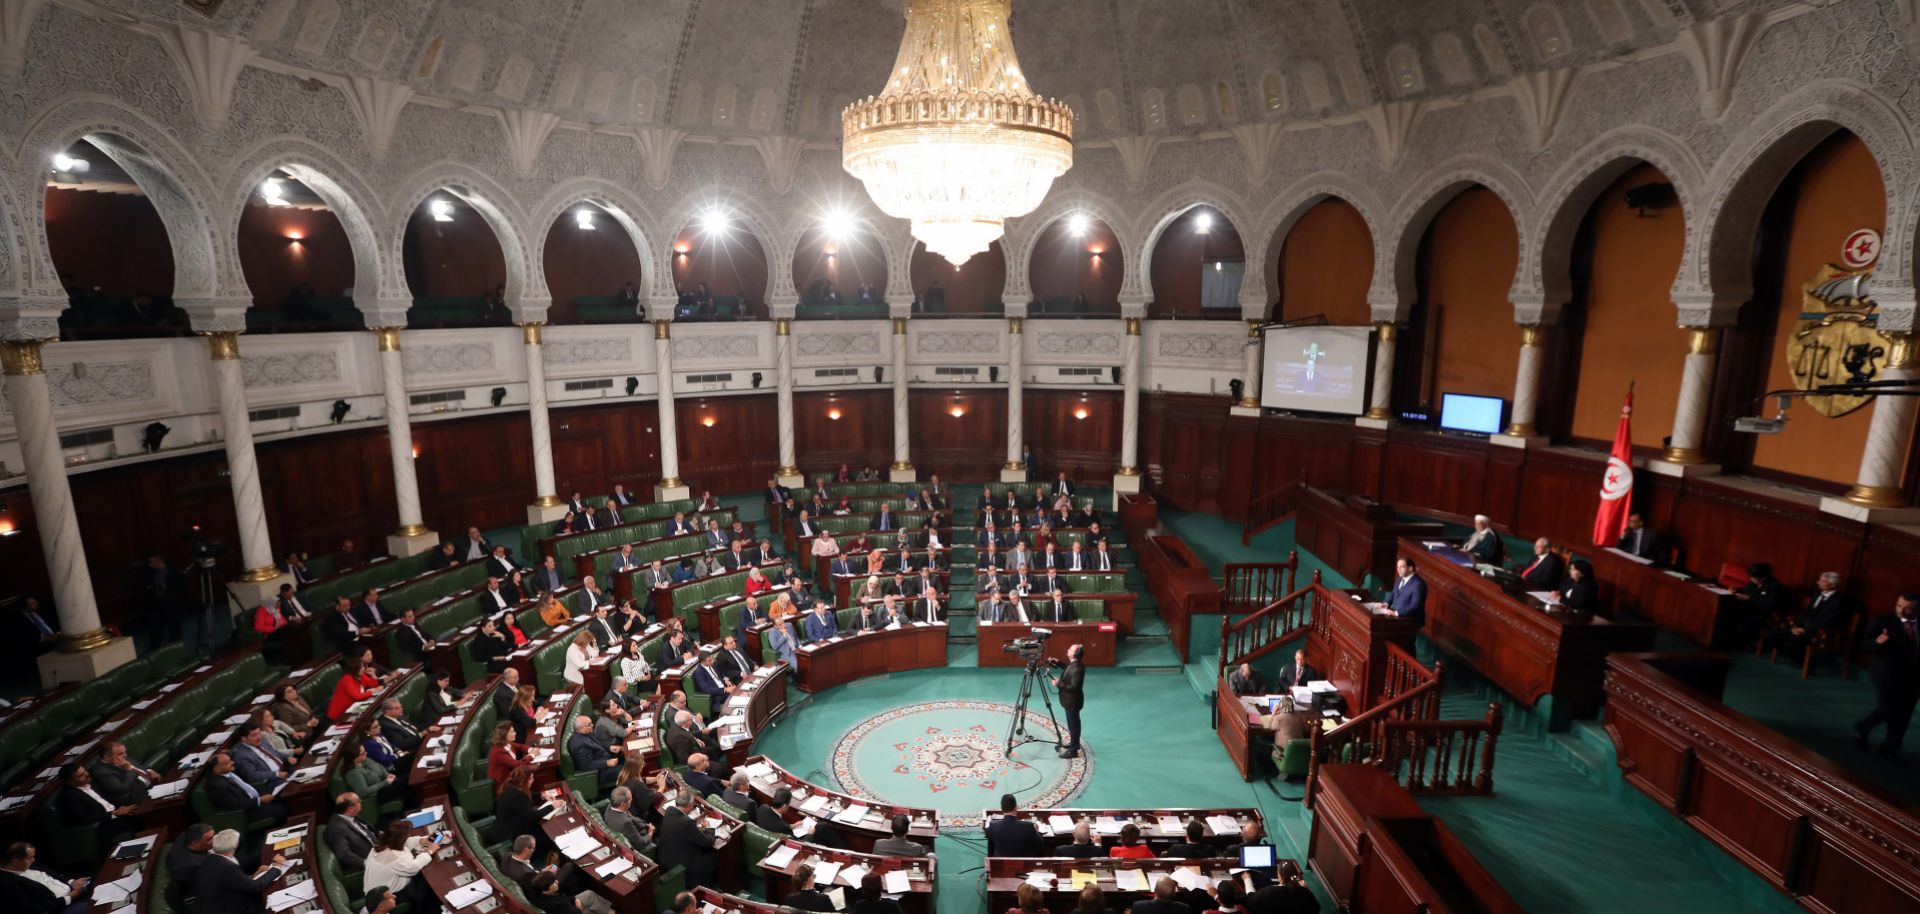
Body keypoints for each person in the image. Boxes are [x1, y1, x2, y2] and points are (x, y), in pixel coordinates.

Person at [1856, 593, 1920, 760]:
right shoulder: (1883, 621)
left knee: (1903, 715)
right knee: (1887, 710)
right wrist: (1877, 643)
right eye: (1899, 605)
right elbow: (1864, 646)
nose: (1901, 610)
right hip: (1887, 674)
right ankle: (1863, 727)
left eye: (1908, 608)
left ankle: (1890, 748)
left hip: (1914, 677)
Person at [1763, 571, 1860, 659]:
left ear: (1832, 584)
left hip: (1820, 631)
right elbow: (1806, 612)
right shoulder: (1817, 594)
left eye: (1822, 581)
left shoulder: (1839, 600)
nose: (1818, 582)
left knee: (1792, 643)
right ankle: (1797, 657)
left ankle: (1802, 660)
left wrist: (1805, 629)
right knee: (1773, 635)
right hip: (1803, 627)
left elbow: (1829, 621)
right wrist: (1797, 625)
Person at [193, 830, 285, 914]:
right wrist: (276, 867)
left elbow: (233, 881)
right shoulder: (227, 867)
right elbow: (255, 887)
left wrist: (254, 875)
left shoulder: (211, 859)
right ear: (236, 845)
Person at [363, 820, 441, 914]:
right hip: (387, 895)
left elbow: (405, 844)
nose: (408, 837)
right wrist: (430, 851)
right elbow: (414, 867)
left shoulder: (379, 846)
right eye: (407, 835)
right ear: (400, 839)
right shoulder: (393, 858)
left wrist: (420, 841)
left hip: (374, 892)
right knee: (427, 881)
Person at [53, 762, 138, 843]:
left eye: (84, 771)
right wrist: (115, 813)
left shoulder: (90, 781)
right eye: (81, 775)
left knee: (141, 807)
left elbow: (107, 798)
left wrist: (122, 807)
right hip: (104, 824)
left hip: (116, 813)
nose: (87, 774)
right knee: (141, 819)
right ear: (70, 782)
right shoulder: (68, 797)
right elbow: (84, 818)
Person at [0, 841, 89, 914]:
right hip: (60, 907)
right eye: (30, 858)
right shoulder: (7, 883)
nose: (33, 860)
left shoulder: (24, 862)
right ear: (15, 862)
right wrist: (69, 898)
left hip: (72, 890)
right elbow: (31, 907)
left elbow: (52, 873)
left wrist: (71, 882)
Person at [656, 789, 717, 888]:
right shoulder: (687, 822)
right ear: (689, 805)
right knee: (712, 857)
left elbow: (682, 830)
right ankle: (703, 889)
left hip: (665, 860)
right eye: (693, 804)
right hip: (682, 867)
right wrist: (709, 828)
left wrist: (695, 830)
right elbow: (708, 842)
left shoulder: (670, 810)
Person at [88, 740, 158, 806]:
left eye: (125, 752)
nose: (125, 755)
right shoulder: (101, 772)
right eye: (121, 754)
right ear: (107, 757)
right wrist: (129, 770)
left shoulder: (119, 756)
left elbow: (139, 764)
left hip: (153, 785)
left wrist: (149, 771)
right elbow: (121, 789)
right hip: (137, 799)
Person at [1733, 561, 1784, 647]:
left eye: (1754, 577)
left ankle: (1740, 644)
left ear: (1763, 577)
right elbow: (1745, 591)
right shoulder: (1753, 581)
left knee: (1745, 624)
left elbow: (1769, 604)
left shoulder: (1774, 586)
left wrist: (1749, 598)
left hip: (1763, 613)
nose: (1751, 579)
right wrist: (1736, 590)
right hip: (1749, 608)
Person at [325, 793, 377, 869]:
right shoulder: (337, 829)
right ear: (350, 808)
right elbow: (344, 854)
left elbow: (366, 829)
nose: (361, 802)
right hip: (370, 859)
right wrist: (367, 864)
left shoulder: (348, 815)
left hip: (378, 847)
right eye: (358, 801)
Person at [1053, 643, 1086, 758]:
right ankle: (1074, 744)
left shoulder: (1077, 669)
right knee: (1073, 724)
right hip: (1071, 701)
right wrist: (1058, 663)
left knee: (1073, 726)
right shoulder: (1075, 664)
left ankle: (1073, 751)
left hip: (1072, 702)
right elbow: (1068, 669)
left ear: (1075, 654)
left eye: (1070, 649)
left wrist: (1059, 684)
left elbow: (1074, 687)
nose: (1068, 649)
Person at [570, 715, 622, 788]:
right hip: (600, 771)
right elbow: (587, 765)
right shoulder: (580, 745)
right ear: (581, 728)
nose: (592, 725)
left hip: (606, 758)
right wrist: (607, 763)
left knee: (627, 758)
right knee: (627, 770)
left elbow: (597, 744)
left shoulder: (586, 733)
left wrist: (609, 747)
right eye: (589, 724)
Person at [604, 785, 653, 850]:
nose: (632, 800)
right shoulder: (626, 823)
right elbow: (641, 844)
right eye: (630, 800)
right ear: (622, 804)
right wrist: (650, 833)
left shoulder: (610, 806)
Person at [1386, 557, 1425, 625]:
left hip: (1409, 622)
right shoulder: (1400, 578)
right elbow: (1393, 593)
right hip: (1395, 617)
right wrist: (1386, 603)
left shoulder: (1418, 584)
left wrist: (1397, 613)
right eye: (1397, 567)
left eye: (1402, 567)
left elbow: (1414, 606)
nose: (1398, 569)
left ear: (1410, 568)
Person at [487, 721, 529, 785]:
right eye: (512, 732)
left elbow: (520, 746)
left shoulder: (507, 743)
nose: (515, 733)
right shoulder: (498, 752)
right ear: (504, 734)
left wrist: (530, 749)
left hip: (512, 777)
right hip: (503, 785)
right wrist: (532, 755)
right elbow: (517, 765)